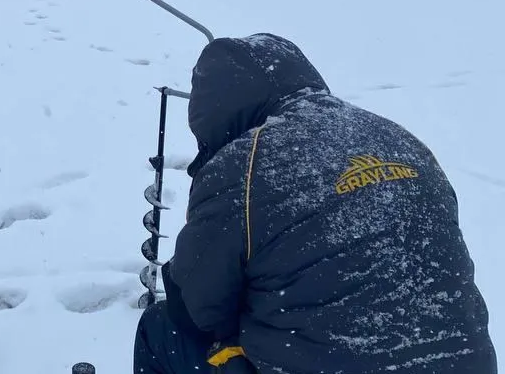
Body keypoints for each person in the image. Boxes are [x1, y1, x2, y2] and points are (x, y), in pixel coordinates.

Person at [133, 33, 497, 373]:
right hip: (465, 362)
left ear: (214, 113)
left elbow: (197, 310)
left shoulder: (243, 164)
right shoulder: (401, 138)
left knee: (161, 329)